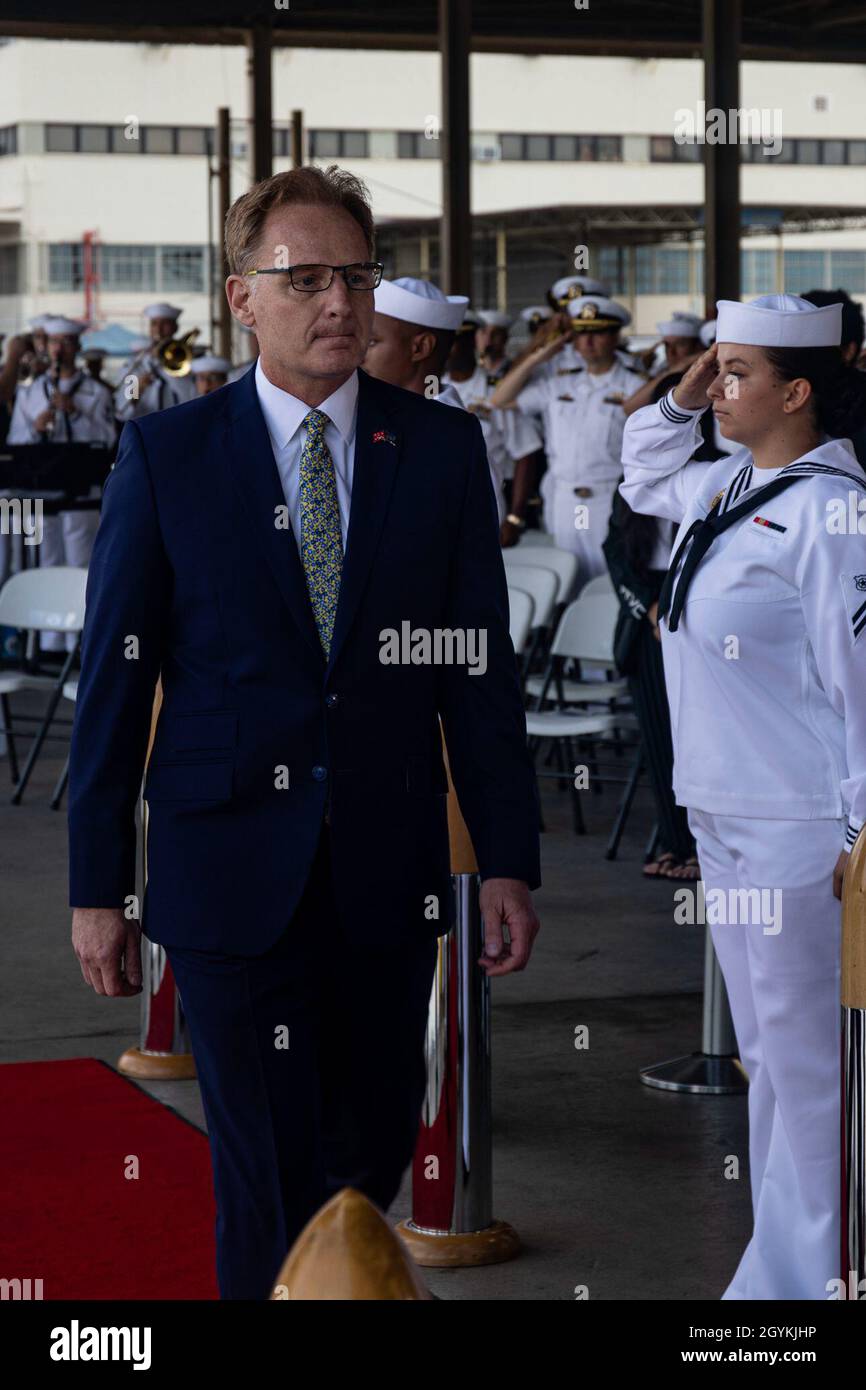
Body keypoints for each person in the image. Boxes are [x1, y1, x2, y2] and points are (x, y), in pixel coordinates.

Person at [68, 164, 542, 1301]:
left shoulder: (432, 454)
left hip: (387, 870)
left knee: (361, 1161)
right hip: (229, 870)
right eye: (307, 277)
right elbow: (113, 686)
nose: (339, 302)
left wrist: (507, 858)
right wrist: (98, 884)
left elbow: (474, 675)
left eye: (356, 276)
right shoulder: (170, 456)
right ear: (242, 297)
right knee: (268, 1174)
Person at [620, 293, 866, 1300]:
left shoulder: (831, 512)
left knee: (811, 1069)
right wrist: (685, 393)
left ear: (797, 391)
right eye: (711, 367)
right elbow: (640, 472)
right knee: (770, 1056)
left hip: (801, 824)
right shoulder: (729, 483)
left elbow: (856, 681)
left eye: (735, 372)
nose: (713, 384)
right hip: (725, 811)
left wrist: (860, 829)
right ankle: (783, 1266)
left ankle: (816, 1279)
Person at [491, 295, 644, 590]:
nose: (587, 342)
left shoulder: (634, 386)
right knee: (564, 579)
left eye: (597, 333)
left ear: (615, 337)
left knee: (609, 581)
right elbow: (499, 400)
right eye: (581, 333)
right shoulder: (559, 383)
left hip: (608, 496)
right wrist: (541, 355)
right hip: (564, 499)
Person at [602, 491, 699, 881]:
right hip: (646, 622)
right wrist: (648, 607)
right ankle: (675, 844)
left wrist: (674, 605)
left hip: (693, 609)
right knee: (660, 739)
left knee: (694, 735)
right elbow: (616, 555)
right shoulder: (632, 485)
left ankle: (700, 846)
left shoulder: (708, 475)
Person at [7, 316, 115, 641]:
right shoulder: (31, 392)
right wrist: (36, 427)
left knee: (80, 561)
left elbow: (109, 438)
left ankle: (79, 640)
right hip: (44, 489)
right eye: (54, 343)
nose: (59, 350)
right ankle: (48, 640)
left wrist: (75, 413)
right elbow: (17, 441)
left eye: (66, 343)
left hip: (82, 491)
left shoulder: (96, 392)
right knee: (45, 560)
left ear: (77, 348)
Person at [114, 302, 197, 421]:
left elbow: (191, 397)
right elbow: (122, 413)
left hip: (178, 426)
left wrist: (164, 363)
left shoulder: (187, 361)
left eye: (165, 324)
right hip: (145, 432)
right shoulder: (134, 365)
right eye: (154, 324)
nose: (159, 329)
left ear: (175, 328)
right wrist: (138, 389)